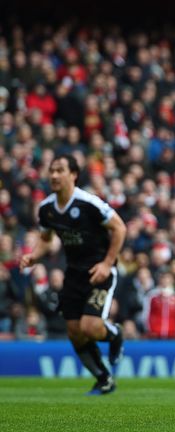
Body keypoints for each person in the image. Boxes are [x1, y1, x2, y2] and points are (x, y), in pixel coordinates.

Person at [20, 155, 126, 395]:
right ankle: (103, 378)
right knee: (74, 332)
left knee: (90, 327)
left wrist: (107, 263)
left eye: (60, 170)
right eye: (52, 171)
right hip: (73, 274)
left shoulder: (88, 203)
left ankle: (115, 334)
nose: (54, 175)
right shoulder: (47, 209)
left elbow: (120, 227)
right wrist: (34, 256)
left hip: (99, 271)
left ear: (73, 174)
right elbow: (46, 240)